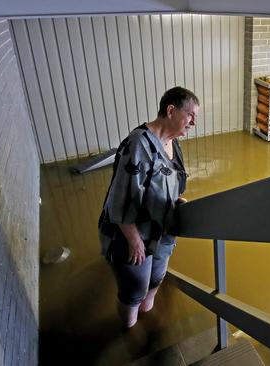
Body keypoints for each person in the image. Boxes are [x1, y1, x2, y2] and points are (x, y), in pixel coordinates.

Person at [98, 87, 199, 328]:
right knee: (134, 291)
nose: (194, 123)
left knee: (155, 280)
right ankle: (128, 329)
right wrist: (134, 240)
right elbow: (119, 199)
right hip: (131, 235)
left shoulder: (173, 143)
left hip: (161, 231)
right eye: (191, 115)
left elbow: (170, 183)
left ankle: (147, 313)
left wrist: (176, 203)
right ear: (171, 110)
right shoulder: (138, 145)